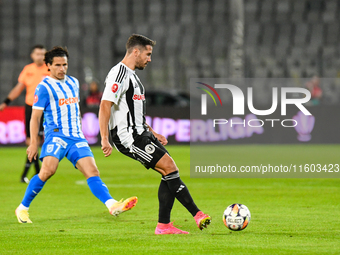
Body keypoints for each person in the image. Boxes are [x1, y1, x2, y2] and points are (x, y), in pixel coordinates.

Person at [99, 34, 211, 235]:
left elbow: (134, 113)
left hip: (141, 134)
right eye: (147, 54)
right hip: (128, 138)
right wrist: (104, 138)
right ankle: (197, 214)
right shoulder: (119, 74)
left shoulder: (133, 76)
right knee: (169, 167)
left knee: (169, 172)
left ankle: (164, 225)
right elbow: (105, 105)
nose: (149, 59)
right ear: (136, 51)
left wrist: (153, 132)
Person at [15, 46, 138, 224]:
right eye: (57, 65)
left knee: (92, 171)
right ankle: (22, 208)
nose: (62, 69)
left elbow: (74, 109)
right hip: (56, 136)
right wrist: (34, 143)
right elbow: (35, 118)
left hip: (76, 137)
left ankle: (112, 205)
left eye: (65, 64)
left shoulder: (74, 82)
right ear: (48, 65)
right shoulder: (43, 88)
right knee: (48, 171)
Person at [0, 45, 49, 183]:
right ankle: (36, 172)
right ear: (32, 55)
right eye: (37, 54)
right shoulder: (28, 69)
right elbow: (19, 87)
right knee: (31, 141)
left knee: (36, 141)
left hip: (45, 108)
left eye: (42, 54)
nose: (40, 56)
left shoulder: (50, 69)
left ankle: (29, 174)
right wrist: (6, 101)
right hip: (30, 107)